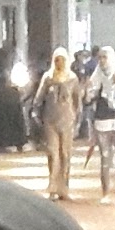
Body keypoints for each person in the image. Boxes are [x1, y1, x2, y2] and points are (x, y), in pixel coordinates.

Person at [32, 48, 80, 201]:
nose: (59, 63)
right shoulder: (48, 77)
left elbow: (77, 100)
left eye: (62, 60)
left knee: (65, 154)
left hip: (67, 120)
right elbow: (39, 97)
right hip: (50, 120)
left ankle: (63, 188)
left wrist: (77, 119)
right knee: (53, 154)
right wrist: (35, 112)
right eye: (57, 60)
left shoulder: (72, 78)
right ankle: (52, 188)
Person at [85, 45, 115, 204]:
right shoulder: (95, 78)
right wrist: (88, 91)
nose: (102, 61)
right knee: (105, 158)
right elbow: (88, 100)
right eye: (100, 58)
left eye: (105, 57)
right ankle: (106, 193)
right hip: (102, 121)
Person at [0, 43, 27, 152]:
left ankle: (15, 143)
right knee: (4, 122)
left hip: (6, 99)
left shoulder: (11, 68)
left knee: (11, 122)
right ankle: (4, 143)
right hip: (2, 99)